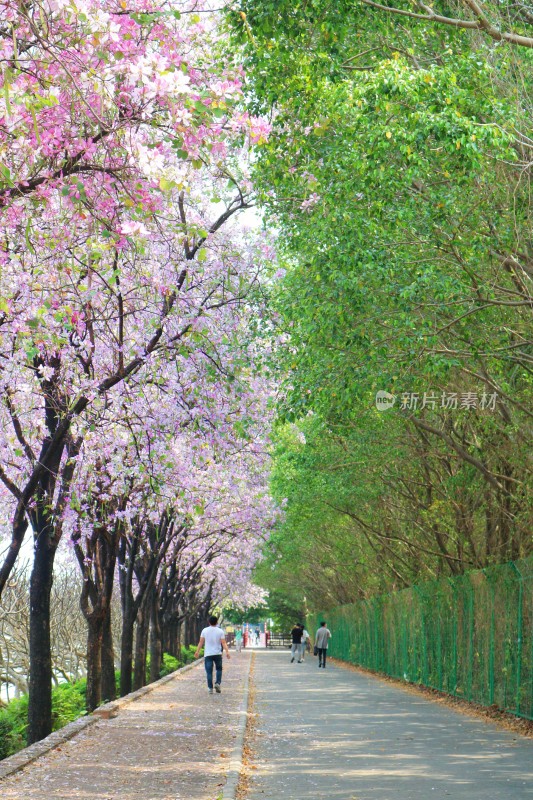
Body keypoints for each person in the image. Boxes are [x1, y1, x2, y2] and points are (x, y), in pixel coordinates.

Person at [194, 615, 231, 694]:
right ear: (217, 622)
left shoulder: (204, 630)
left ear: (209, 622)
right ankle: (217, 683)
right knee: (219, 669)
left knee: (209, 671)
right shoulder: (220, 631)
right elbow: (223, 642)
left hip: (208, 654)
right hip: (217, 653)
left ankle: (210, 688)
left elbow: (201, 642)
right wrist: (227, 652)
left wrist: (197, 651)